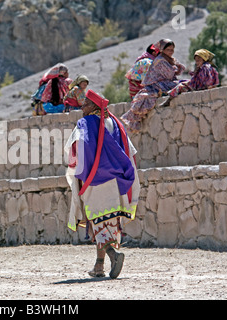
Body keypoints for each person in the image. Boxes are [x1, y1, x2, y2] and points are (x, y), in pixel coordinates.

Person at [65, 89, 140, 279]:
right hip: (116, 182)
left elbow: (77, 147)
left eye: (85, 104)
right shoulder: (115, 123)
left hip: (95, 181)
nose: (82, 108)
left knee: (95, 222)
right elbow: (130, 151)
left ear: (93, 106)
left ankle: (113, 256)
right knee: (107, 223)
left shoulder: (85, 123)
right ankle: (99, 266)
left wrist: (80, 175)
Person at [120, 39, 186, 133]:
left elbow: (178, 71)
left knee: (182, 83)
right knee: (182, 84)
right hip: (156, 85)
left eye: (172, 50)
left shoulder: (167, 59)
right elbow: (170, 75)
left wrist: (176, 65)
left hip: (159, 83)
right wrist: (175, 67)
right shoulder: (159, 61)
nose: (171, 52)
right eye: (168, 50)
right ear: (162, 50)